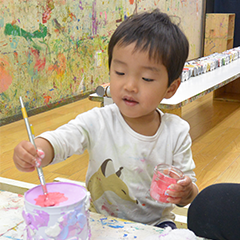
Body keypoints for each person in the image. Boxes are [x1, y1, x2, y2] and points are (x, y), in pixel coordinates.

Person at [13, 9, 198, 229]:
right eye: (120, 72)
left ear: (171, 88)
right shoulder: (98, 120)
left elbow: (188, 189)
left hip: (155, 224)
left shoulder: (176, 132)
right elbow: (64, 138)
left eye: (147, 78)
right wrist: (37, 151)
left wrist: (186, 192)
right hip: (98, 219)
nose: (129, 85)